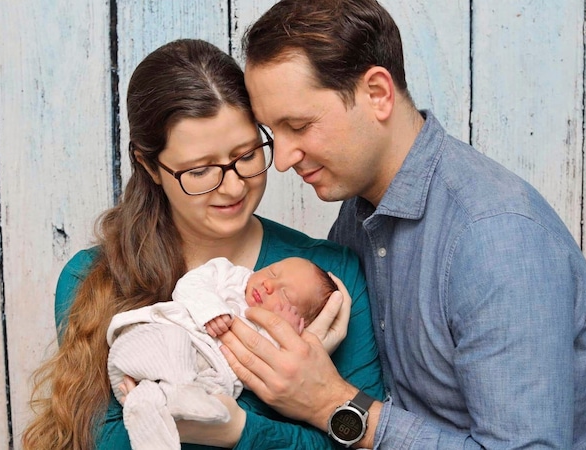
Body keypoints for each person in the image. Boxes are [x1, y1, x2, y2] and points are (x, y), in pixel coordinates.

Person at [217, 0, 586, 448]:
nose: (285, 160)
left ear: (377, 93)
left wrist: (330, 403)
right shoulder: (357, 215)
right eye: (277, 133)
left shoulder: (496, 238)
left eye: (301, 125)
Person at [21, 38, 383, 450]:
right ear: (149, 167)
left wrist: (240, 428)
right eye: (200, 170)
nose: (232, 187)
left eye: (247, 155)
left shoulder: (326, 276)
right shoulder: (94, 278)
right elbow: (108, 440)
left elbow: (359, 443)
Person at [105, 256, 339, 450]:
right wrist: (211, 310)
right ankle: (180, 394)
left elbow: (266, 373)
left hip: (181, 382)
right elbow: (190, 284)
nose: (268, 284)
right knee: (176, 342)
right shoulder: (232, 276)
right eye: (272, 272)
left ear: (298, 320)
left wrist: (287, 332)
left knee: (212, 398)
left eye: (285, 297)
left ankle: (152, 417)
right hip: (148, 346)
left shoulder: (277, 337)